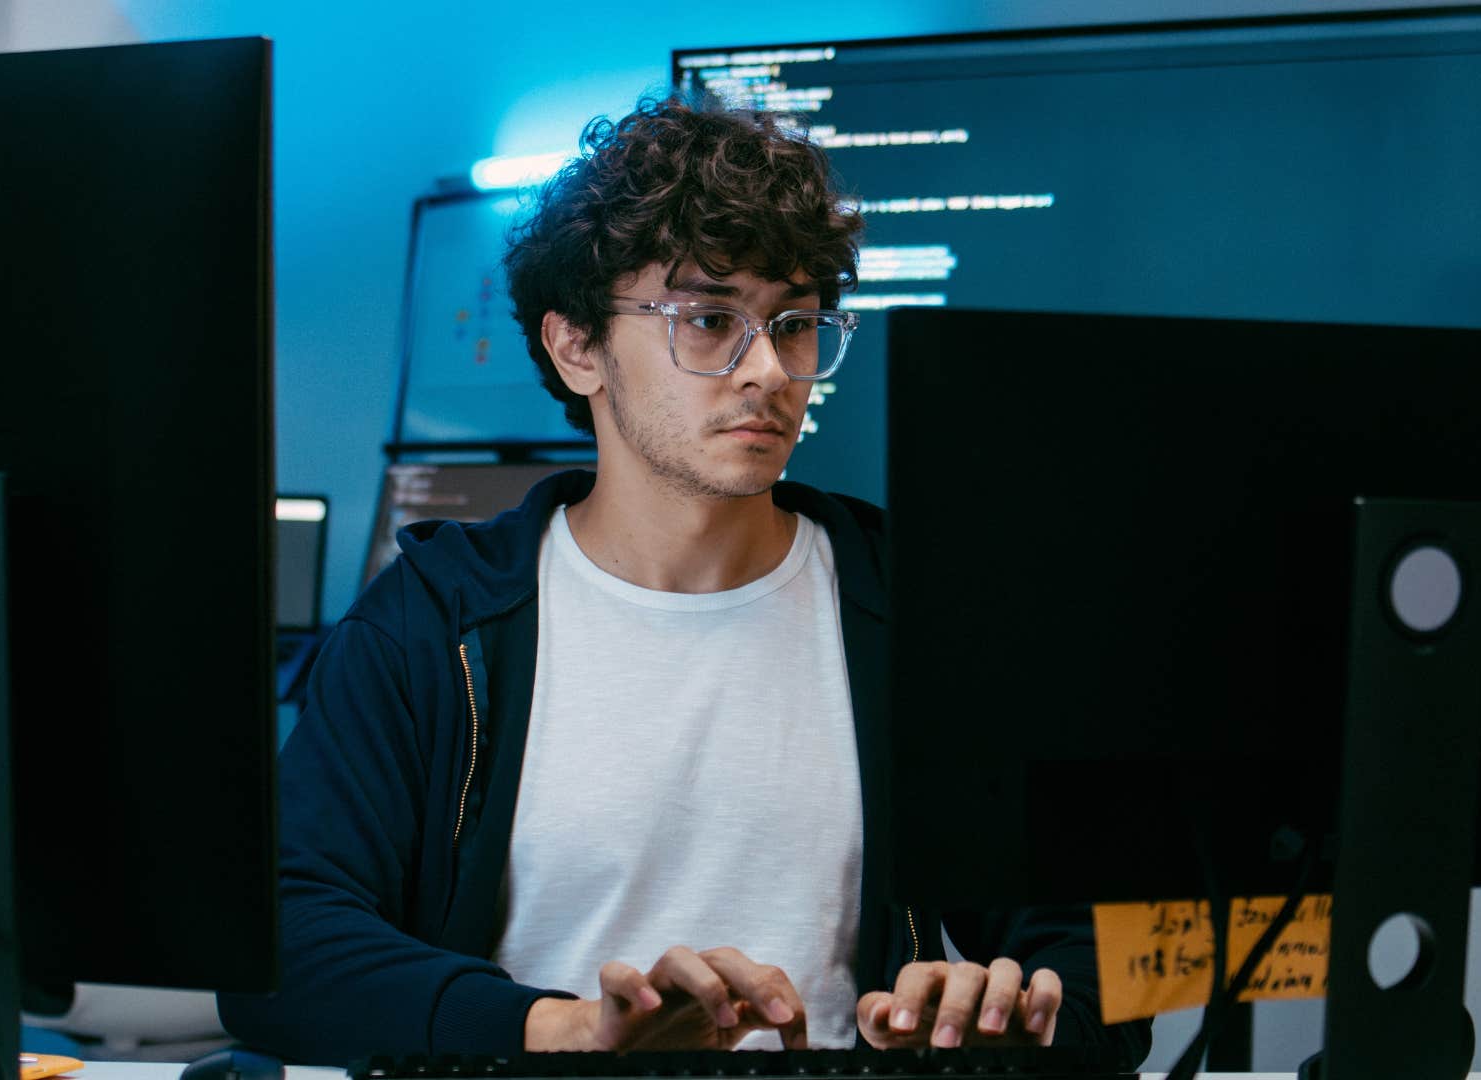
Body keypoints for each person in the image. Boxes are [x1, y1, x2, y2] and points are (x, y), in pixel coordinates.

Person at [219, 95, 1151, 1067]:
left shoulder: (914, 609)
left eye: (793, 324)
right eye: (709, 319)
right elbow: (282, 949)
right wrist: (565, 1029)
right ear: (576, 346)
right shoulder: (436, 622)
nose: (769, 371)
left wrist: (1000, 1013)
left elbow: (1100, 965)